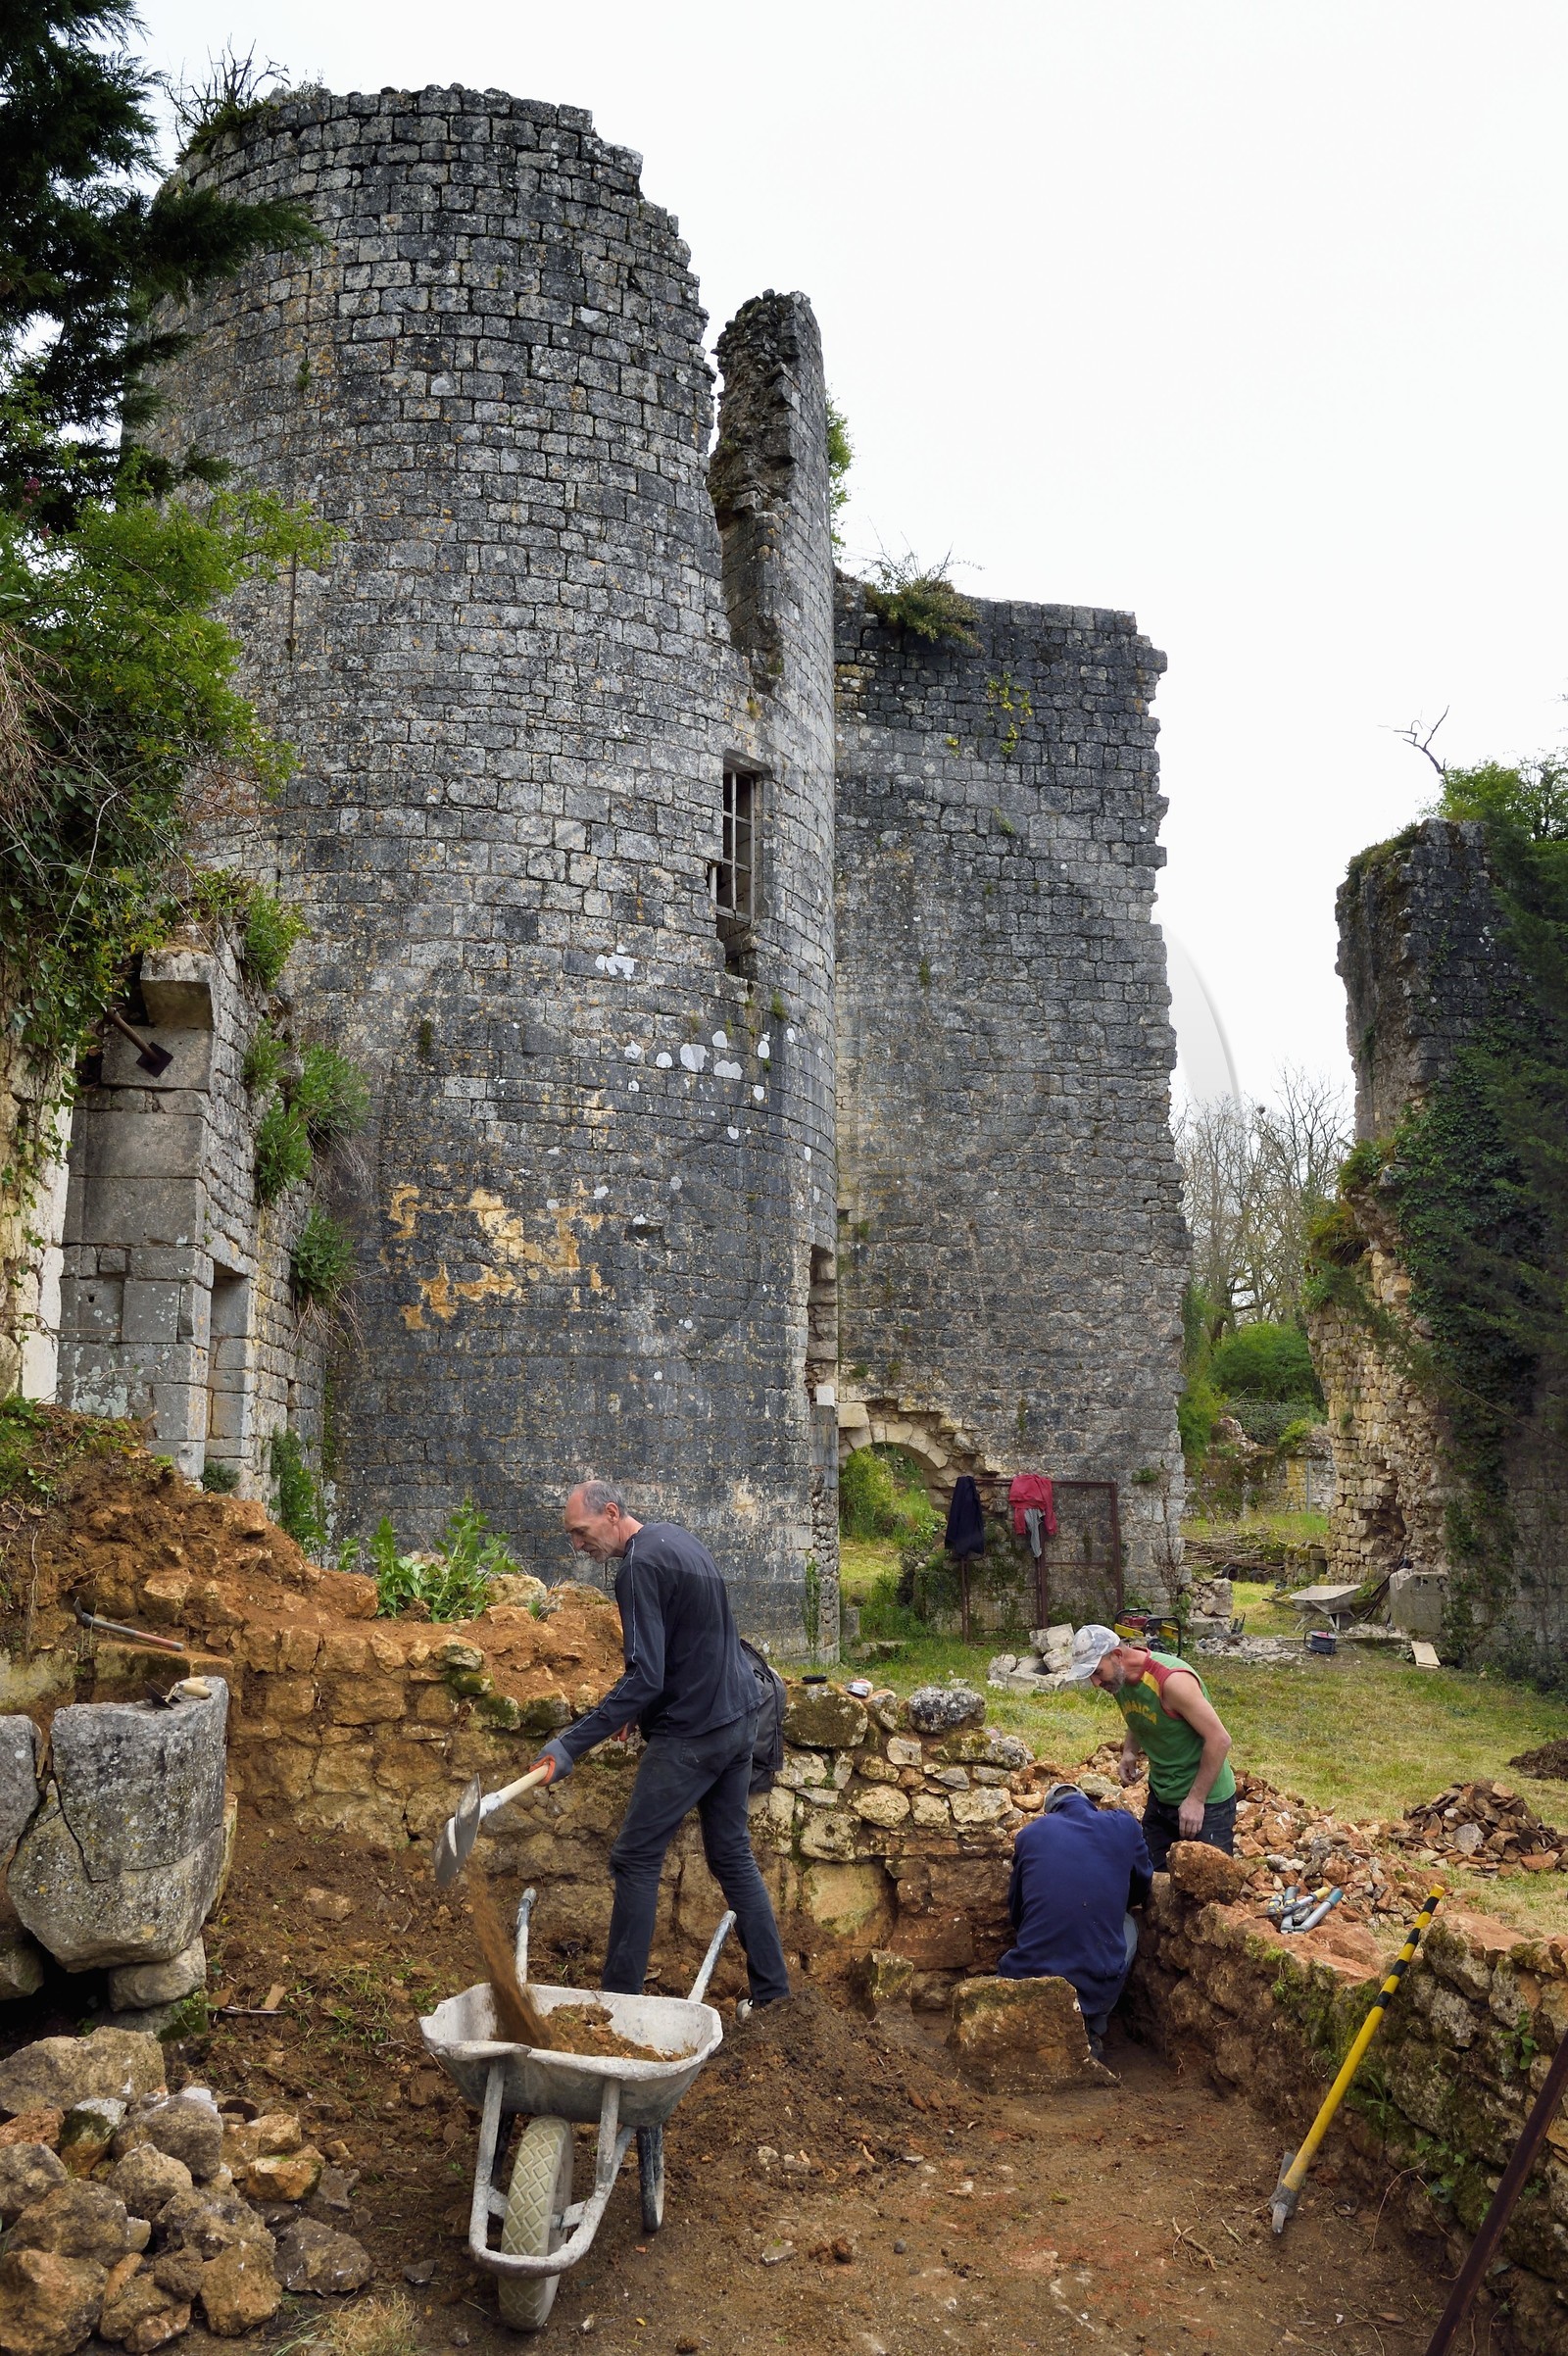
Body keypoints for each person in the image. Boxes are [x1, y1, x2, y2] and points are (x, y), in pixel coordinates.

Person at [528, 1479, 791, 2011]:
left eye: (580, 1533)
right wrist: (641, 1709)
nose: (578, 1548)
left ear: (610, 1512)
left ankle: (619, 2007)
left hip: (694, 1734)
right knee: (733, 1855)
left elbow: (646, 1675)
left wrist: (570, 1745)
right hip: (741, 1718)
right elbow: (687, 1645)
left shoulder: (638, 1568)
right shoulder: (677, 1539)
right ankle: (774, 1996)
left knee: (635, 1858)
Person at [1062, 1623, 1237, 1872]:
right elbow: (1141, 1713)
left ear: (1118, 1655)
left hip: (1207, 1803)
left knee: (1207, 1892)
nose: (1095, 1682)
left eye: (1097, 1672)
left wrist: (1196, 1799)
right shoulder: (1119, 1680)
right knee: (1153, 1882)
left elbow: (1220, 1739)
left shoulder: (1172, 1682)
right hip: (1162, 1795)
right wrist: (1130, 1751)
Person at [998, 1784, 1152, 2052]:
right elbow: (1142, 1885)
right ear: (1090, 1804)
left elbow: (1018, 1911)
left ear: (1051, 1812)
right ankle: (1090, 2028)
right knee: (1127, 1924)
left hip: (1025, 1976)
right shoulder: (1123, 1826)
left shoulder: (1030, 1835)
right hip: (1093, 1987)